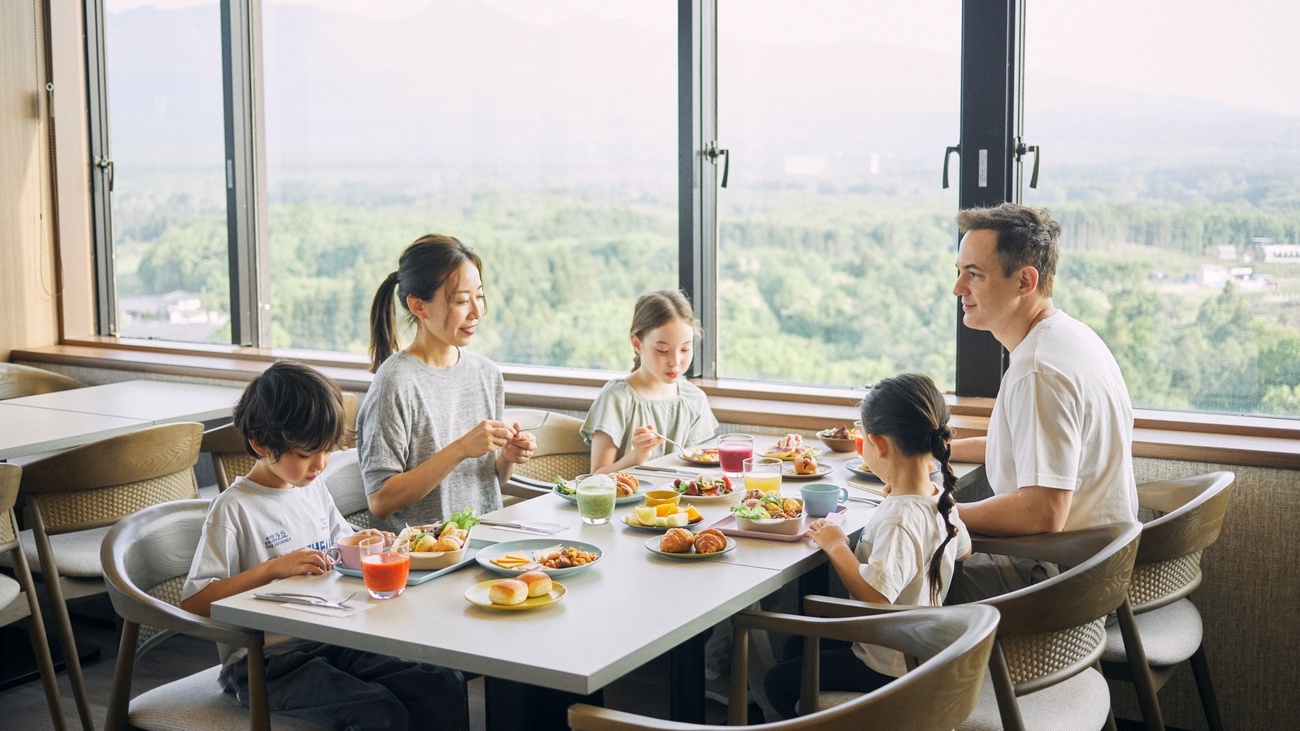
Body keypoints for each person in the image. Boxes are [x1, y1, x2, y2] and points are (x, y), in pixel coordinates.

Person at [181, 360, 468, 731]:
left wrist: (363, 541)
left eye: (327, 451)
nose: (320, 465)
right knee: (379, 712)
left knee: (439, 683)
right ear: (259, 442)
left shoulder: (312, 488)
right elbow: (195, 603)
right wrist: (271, 569)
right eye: (305, 455)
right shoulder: (234, 509)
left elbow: (340, 545)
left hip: (331, 639)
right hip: (267, 664)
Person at [947, 202, 1138, 601]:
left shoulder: (1039, 371)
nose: (958, 289)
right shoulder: (1071, 337)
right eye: (959, 272)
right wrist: (938, 450)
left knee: (881, 578)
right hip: (1092, 571)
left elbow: (1042, 512)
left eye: (974, 274)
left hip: (1055, 587)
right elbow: (1035, 451)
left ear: (1024, 281)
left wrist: (935, 512)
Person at [763, 373, 971, 719]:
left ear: (879, 445)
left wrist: (837, 546)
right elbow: (963, 550)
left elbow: (876, 598)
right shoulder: (937, 496)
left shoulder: (901, 518)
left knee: (777, 682)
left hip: (890, 666)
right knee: (796, 647)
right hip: (920, 647)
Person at [357, 234, 535, 530]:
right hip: (426, 561)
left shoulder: (487, 374)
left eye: (479, 296)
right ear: (418, 306)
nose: (477, 312)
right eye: (462, 301)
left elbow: (489, 481)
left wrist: (507, 458)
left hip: (486, 545)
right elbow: (381, 501)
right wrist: (461, 448)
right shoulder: (396, 382)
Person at [582, 289, 719, 473]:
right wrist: (635, 457)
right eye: (663, 351)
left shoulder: (694, 399)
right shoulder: (617, 398)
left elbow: (696, 468)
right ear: (637, 344)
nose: (675, 362)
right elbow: (595, 477)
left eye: (685, 349)